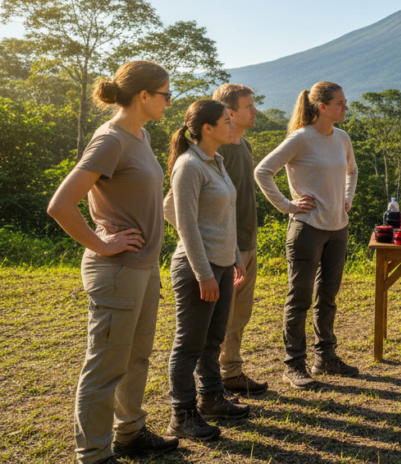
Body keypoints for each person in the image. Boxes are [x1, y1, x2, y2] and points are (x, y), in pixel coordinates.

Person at [47, 61, 179, 464]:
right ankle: (94, 454)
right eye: (165, 95)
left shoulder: (141, 135)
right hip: (117, 269)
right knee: (106, 365)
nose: (169, 103)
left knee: (136, 357)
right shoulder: (111, 140)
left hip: (143, 266)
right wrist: (102, 244)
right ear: (143, 96)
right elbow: (60, 205)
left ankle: (131, 434)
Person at [255, 81, 358, 389]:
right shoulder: (300, 139)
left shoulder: (342, 138)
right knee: (299, 298)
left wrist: (347, 198)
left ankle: (325, 358)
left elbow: (352, 171)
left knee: (328, 297)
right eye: (340, 103)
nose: (345, 107)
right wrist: (288, 206)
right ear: (322, 107)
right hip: (307, 229)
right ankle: (294, 365)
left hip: (338, 227)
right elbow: (262, 171)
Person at [164, 99, 250, 441]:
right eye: (227, 121)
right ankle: (182, 415)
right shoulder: (188, 165)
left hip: (222, 264)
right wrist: (204, 274)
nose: (233, 126)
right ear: (207, 129)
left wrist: (233, 257)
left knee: (213, 338)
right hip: (196, 267)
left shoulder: (217, 160)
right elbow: (185, 224)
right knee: (189, 343)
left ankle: (212, 399)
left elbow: (221, 216)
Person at [211, 84, 268, 397]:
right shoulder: (220, 150)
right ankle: (210, 379)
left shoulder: (243, 145)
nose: (255, 111)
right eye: (249, 106)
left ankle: (231, 371)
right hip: (225, 249)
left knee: (240, 315)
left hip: (246, 244)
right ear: (230, 112)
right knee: (219, 318)